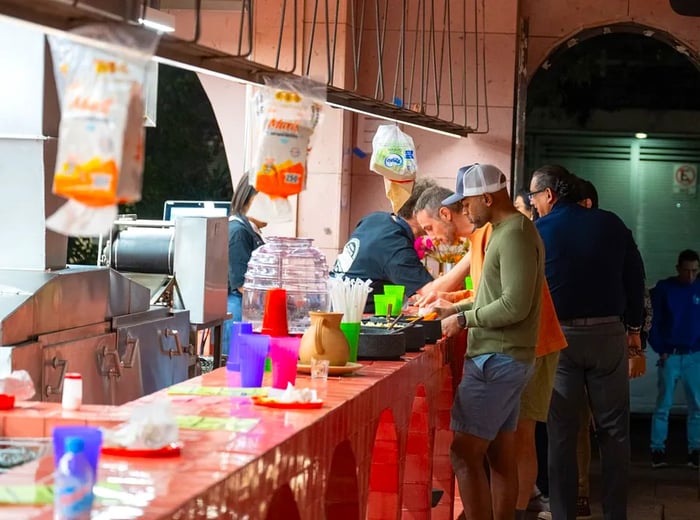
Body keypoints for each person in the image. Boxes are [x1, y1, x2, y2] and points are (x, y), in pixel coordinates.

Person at [418, 180, 565, 519]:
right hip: (513, 352)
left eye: (468, 204)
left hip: (510, 351)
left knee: (468, 453)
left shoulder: (509, 233)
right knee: (500, 451)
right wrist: (452, 306)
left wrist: (462, 320)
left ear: (484, 199)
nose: (465, 211)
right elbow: (488, 293)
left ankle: (523, 508)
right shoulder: (496, 232)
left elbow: (512, 305)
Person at [528, 164, 646, 520]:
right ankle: (615, 514)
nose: (533, 205)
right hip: (609, 335)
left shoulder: (539, 231)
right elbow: (635, 275)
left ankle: (564, 514)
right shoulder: (611, 223)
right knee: (614, 432)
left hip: (559, 339)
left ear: (549, 194)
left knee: (562, 432)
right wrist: (634, 331)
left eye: (534, 197)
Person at [331, 179, 435, 312]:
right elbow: (432, 292)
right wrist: (468, 259)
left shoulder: (374, 219)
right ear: (419, 212)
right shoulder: (395, 245)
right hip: (355, 319)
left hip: (333, 306)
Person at [648, 248, 700, 469]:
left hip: (693, 355)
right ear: (678, 268)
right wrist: (661, 348)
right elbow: (653, 321)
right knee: (663, 404)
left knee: (697, 406)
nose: (690, 276)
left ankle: (695, 449)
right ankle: (657, 449)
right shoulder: (665, 289)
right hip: (671, 355)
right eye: (687, 271)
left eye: (694, 271)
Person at [222, 174, 266, 355]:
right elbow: (242, 284)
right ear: (252, 198)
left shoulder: (250, 230)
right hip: (239, 312)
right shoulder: (238, 232)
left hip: (248, 310)